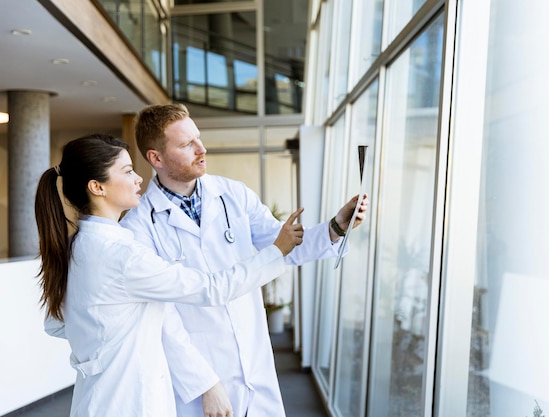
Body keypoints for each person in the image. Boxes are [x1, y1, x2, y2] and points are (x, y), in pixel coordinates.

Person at [120, 103, 369, 417]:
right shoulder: (139, 227)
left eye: (198, 138)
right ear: (155, 158)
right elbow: (161, 321)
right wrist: (206, 384)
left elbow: (282, 247)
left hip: (254, 361)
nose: (202, 149)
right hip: (200, 381)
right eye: (187, 145)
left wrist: (336, 227)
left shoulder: (233, 195)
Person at [35, 134, 305, 417]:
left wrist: (102, 349)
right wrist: (276, 252)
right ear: (96, 187)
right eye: (127, 171)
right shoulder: (121, 255)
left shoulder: (78, 247)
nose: (139, 179)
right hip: (131, 403)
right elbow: (212, 289)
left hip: (96, 400)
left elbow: (56, 324)